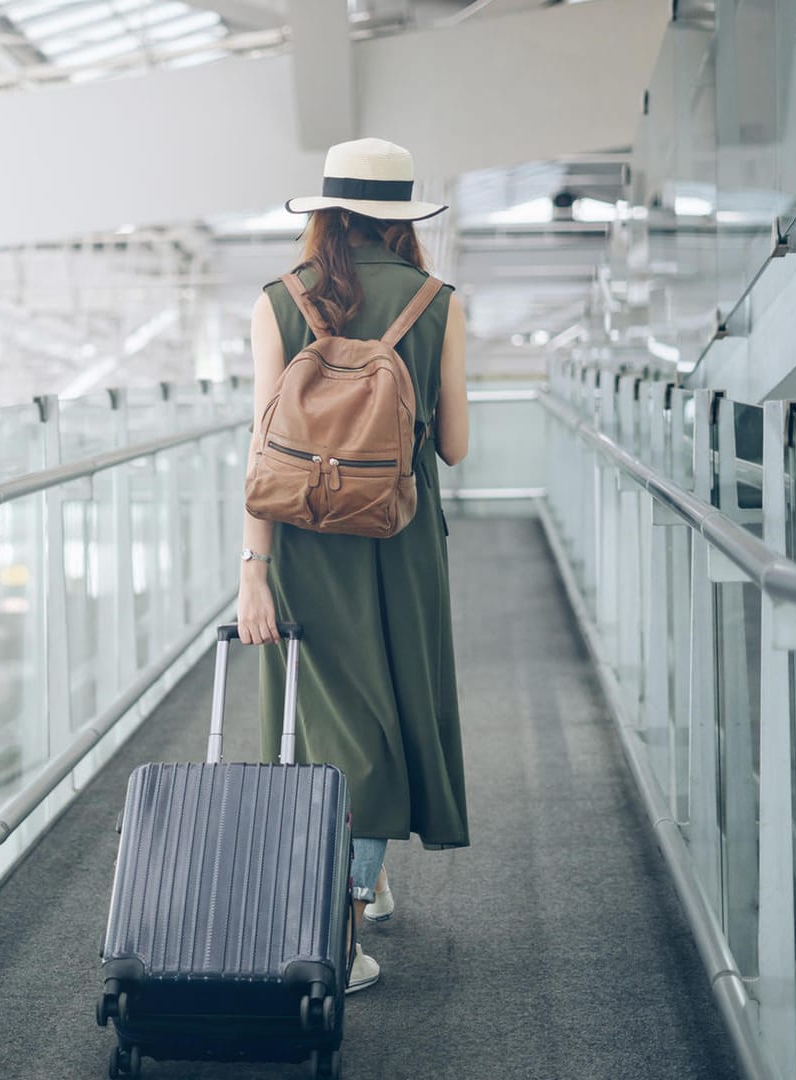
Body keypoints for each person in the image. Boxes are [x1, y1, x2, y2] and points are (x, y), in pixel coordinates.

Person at [235, 137, 472, 995]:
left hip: (299, 538)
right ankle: (339, 928)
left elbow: (262, 446)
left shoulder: (278, 300)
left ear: (326, 213)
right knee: (381, 725)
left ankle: (347, 889)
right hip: (397, 541)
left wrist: (253, 568)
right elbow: (454, 447)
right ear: (403, 218)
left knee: (319, 728)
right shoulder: (438, 301)